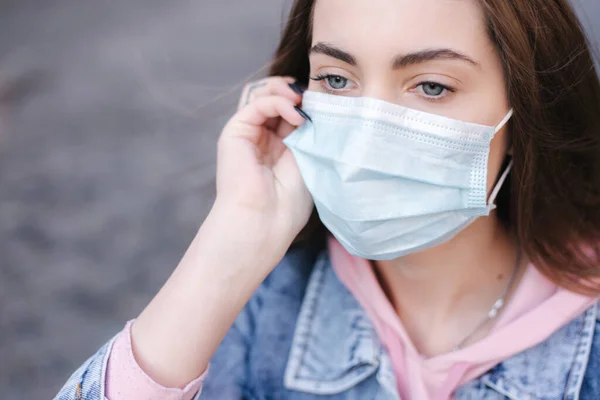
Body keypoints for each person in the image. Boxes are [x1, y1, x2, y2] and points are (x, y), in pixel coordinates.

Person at [55, 0, 600, 399]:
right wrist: (232, 239)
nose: (366, 140)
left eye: (431, 86)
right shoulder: (259, 309)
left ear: (524, 109)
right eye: (337, 80)